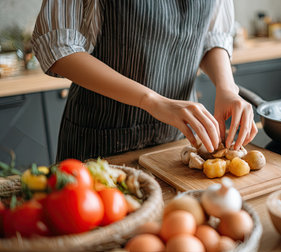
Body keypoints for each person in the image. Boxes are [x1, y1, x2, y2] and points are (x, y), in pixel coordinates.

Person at [32, 0, 258, 162]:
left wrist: (227, 87)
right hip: (100, 142)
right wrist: (152, 100)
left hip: (175, 141)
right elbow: (58, 47)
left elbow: (212, 37)